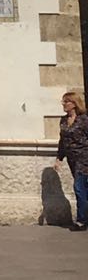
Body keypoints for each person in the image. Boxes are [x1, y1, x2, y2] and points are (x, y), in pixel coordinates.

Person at [55, 90, 88, 230]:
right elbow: (62, 141)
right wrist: (59, 158)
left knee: (79, 188)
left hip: (84, 158)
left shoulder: (84, 119)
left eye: (66, 101)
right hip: (72, 159)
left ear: (74, 104)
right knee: (84, 189)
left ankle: (81, 221)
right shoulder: (63, 120)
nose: (63, 104)